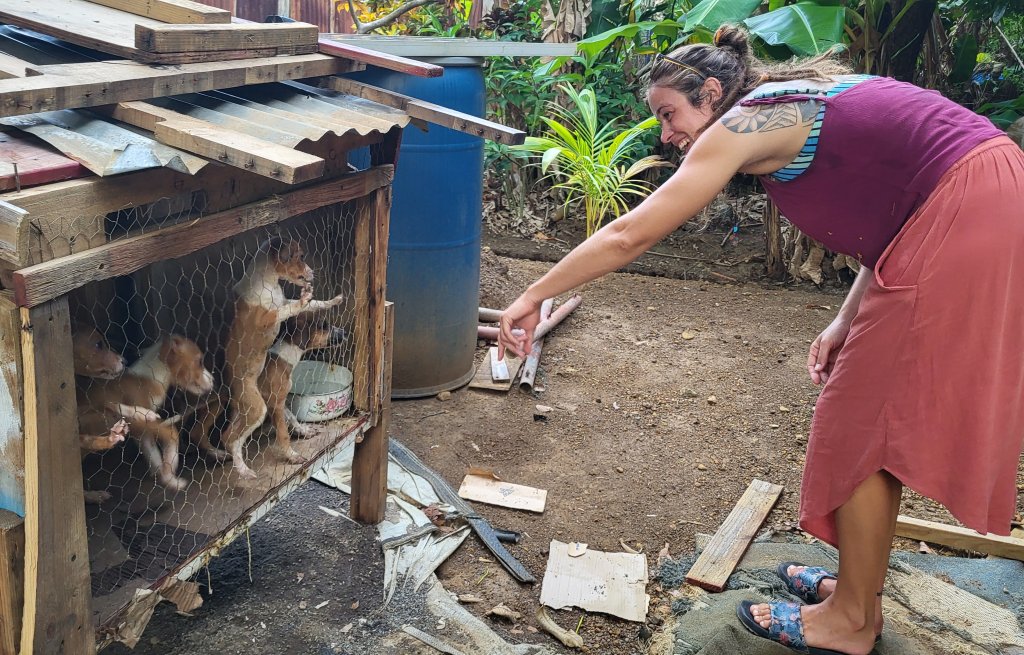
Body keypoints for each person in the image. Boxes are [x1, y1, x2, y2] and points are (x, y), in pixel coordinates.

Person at [497, 24, 1024, 655]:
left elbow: (629, 235)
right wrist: (844, 320)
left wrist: (532, 295)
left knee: (861, 418)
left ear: (714, 92)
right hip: (971, 199)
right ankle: (857, 593)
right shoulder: (792, 102)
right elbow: (888, 214)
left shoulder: (748, 120)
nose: (666, 135)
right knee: (865, 410)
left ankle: (853, 621)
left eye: (669, 113)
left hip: (967, 205)